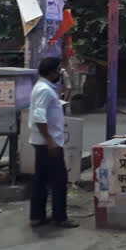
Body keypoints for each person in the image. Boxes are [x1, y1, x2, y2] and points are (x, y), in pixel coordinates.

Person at [28, 57, 78, 228]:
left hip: (43, 141)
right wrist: (50, 140)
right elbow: (38, 117)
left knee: (41, 179)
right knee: (58, 180)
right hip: (48, 143)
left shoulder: (45, 88)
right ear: (50, 72)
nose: (60, 73)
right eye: (58, 70)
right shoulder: (44, 90)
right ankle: (60, 217)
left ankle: (37, 216)